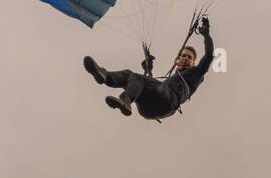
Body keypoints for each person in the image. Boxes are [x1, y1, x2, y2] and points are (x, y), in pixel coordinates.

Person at [83, 17, 215, 121]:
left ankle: (125, 100)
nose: (186, 58)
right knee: (130, 75)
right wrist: (148, 69)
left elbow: (209, 56)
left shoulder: (195, 74)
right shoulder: (172, 79)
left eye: (189, 57)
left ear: (193, 63)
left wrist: (206, 35)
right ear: (177, 60)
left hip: (168, 103)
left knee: (138, 78)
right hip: (147, 110)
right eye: (183, 56)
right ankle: (105, 76)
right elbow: (147, 88)